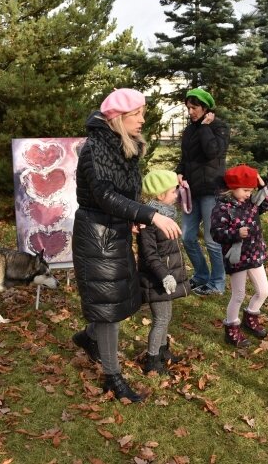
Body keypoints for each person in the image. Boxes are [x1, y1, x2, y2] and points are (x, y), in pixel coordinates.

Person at [71, 88, 181, 403]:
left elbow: (125, 192)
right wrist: (151, 216)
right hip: (97, 234)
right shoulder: (95, 149)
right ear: (118, 118)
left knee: (114, 300)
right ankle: (112, 377)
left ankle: (88, 338)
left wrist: (133, 215)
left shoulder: (123, 145)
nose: (143, 120)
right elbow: (105, 195)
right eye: (137, 114)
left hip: (114, 231)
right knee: (108, 308)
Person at [210, 165, 268, 348]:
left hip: (254, 254)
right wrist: (236, 233)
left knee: (264, 291)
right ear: (232, 188)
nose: (248, 193)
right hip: (237, 257)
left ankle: (250, 317)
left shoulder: (252, 203)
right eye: (245, 190)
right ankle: (231, 329)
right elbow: (216, 233)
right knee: (238, 295)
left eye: (251, 190)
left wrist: (261, 183)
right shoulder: (222, 208)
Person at [176, 87, 230, 296]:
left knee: (211, 240)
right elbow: (185, 158)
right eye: (188, 107)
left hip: (211, 190)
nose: (191, 111)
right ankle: (201, 275)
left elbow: (213, 152)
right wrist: (180, 172)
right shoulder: (189, 130)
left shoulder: (219, 127)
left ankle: (217, 283)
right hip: (191, 191)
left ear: (206, 108)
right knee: (187, 237)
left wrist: (206, 127)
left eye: (195, 107)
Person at [136, 170, 191, 375]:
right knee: (160, 319)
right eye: (172, 192)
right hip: (157, 279)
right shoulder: (149, 221)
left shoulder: (166, 214)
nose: (176, 195)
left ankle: (162, 350)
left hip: (166, 278)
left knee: (166, 317)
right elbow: (149, 255)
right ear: (160, 196)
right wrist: (164, 275)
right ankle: (152, 360)